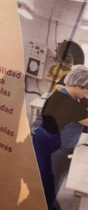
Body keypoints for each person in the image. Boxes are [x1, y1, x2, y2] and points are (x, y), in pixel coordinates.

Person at [32, 66, 88, 210]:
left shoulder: (66, 95)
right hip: (55, 151)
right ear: (77, 84)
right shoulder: (67, 102)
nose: (87, 93)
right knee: (49, 184)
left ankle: (48, 204)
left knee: (53, 183)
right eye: (86, 89)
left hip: (58, 150)